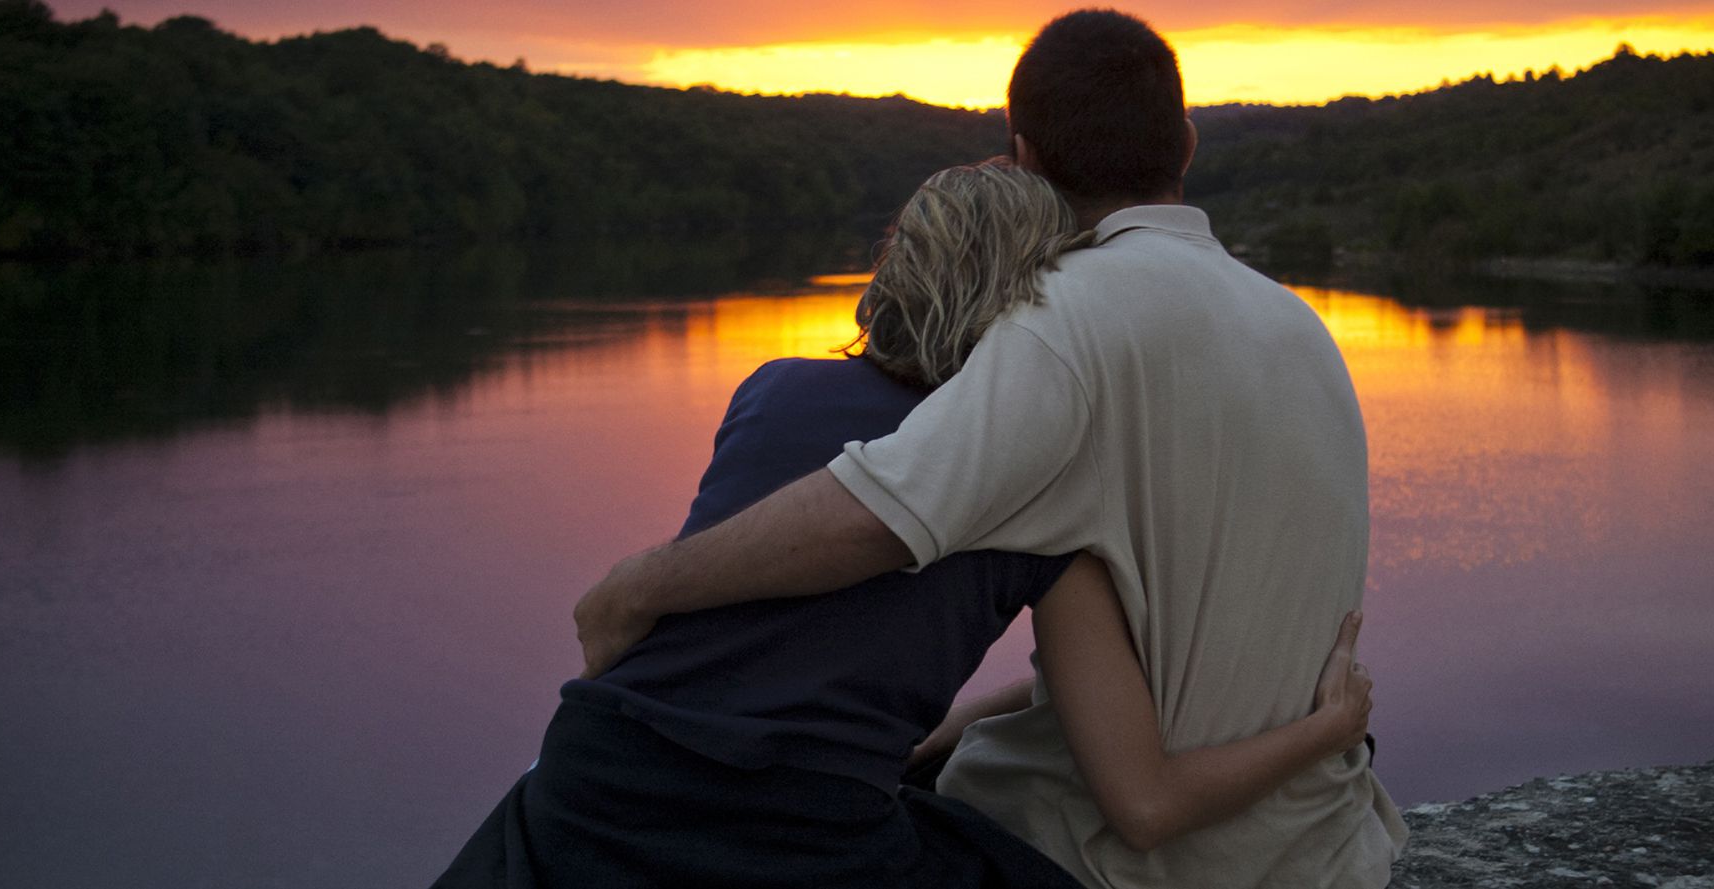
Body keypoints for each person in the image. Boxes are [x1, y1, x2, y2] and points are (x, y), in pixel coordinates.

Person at [570, 9, 1408, 889]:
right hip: (1326, 847)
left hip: (1131, 861)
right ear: (1187, 144)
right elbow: (1163, 665)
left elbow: (883, 510)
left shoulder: (1067, 320)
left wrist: (643, 584)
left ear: (1026, 156)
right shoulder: (1302, 326)